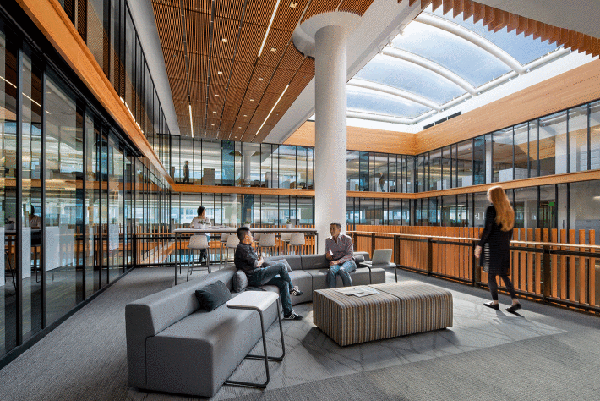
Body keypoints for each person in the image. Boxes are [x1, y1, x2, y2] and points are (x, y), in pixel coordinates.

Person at [234, 227, 304, 320]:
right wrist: (261, 260)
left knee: (284, 283)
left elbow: (253, 262)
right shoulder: (242, 249)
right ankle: (292, 289)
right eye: (251, 235)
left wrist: (259, 260)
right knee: (282, 266)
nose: (253, 237)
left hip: (257, 275)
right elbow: (256, 264)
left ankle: (288, 313)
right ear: (246, 236)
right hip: (256, 277)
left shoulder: (246, 247)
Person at [474, 185, 522, 313]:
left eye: (489, 194)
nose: (488, 196)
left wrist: (480, 245)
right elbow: (510, 232)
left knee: (491, 275)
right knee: (503, 275)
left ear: (493, 196)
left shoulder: (491, 209)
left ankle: (495, 302)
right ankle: (515, 301)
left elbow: (487, 230)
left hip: (492, 247)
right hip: (504, 247)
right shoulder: (509, 210)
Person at [325, 222, 356, 288]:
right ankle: (332, 293)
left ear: (339, 230)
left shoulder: (347, 239)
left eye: (333, 229)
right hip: (336, 263)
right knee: (331, 272)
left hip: (349, 262)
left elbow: (349, 255)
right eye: (330, 229)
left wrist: (337, 262)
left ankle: (349, 291)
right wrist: (328, 257)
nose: (331, 231)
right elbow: (329, 254)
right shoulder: (328, 241)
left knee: (342, 270)